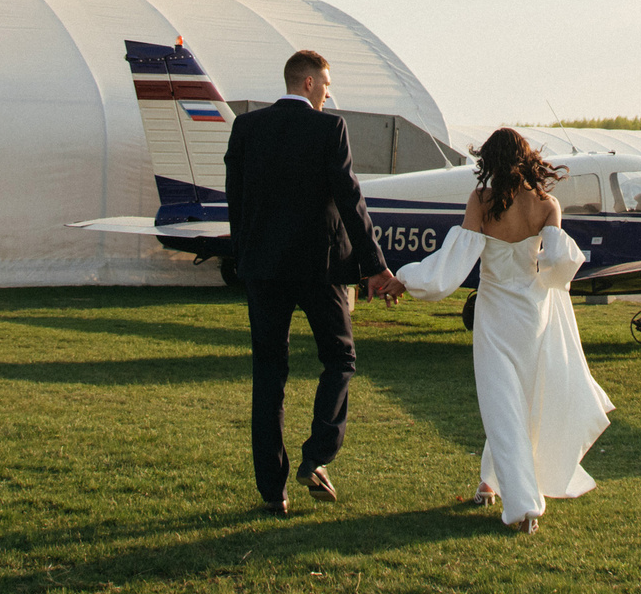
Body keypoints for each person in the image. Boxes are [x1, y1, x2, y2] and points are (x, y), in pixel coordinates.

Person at [396, 128, 614, 533]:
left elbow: (455, 259)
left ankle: (525, 507)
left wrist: (409, 279)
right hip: (532, 315)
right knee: (515, 406)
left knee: (503, 406)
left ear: (490, 162)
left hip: (494, 315)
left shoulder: (482, 201)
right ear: (527, 159)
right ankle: (488, 482)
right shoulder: (547, 205)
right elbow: (558, 268)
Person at [222, 47, 405, 516]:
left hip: (263, 271)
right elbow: (349, 199)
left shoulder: (246, 128)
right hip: (320, 269)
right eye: (326, 83)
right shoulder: (328, 129)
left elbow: (235, 200)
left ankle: (271, 492)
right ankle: (318, 455)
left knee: (269, 377)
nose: (328, 92)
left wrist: (244, 256)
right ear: (307, 83)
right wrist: (375, 267)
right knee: (340, 359)